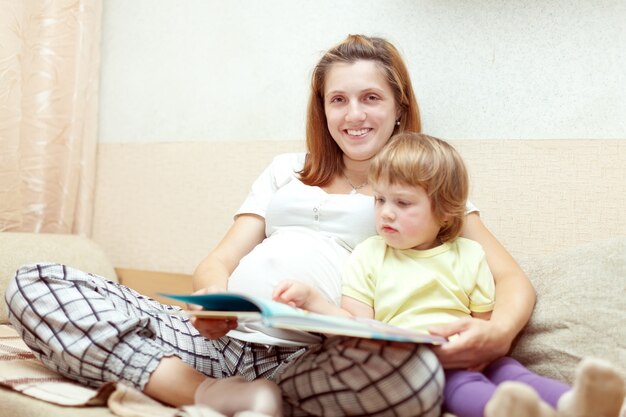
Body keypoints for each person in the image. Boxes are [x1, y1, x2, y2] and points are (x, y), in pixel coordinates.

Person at [5, 34, 535, 417]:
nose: (354, 114)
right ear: (323, 109)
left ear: (399, 108)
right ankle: (205, 393)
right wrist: (213, 300)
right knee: (35, 283)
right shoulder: (286, 169)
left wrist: (496, 334)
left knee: (415, 377)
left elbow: (511, 280)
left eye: (371, 97)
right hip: (223, 343)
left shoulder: (423, 185)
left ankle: (251, 393)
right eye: (338, 99)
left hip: (314, 356)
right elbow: (219, 259)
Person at [272, 132, 626, 417]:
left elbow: (482, 324)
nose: (386, 214)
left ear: (443, 212)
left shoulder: (469, 255)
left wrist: (480, 347)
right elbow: (355, 326)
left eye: (403, 203)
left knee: (513, 372)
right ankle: (507, 410)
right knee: (463, 386)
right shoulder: (370, 255)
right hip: (420, 365)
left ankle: (581, 404)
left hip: (470, 354)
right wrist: (313, 301)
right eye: (379, 200)